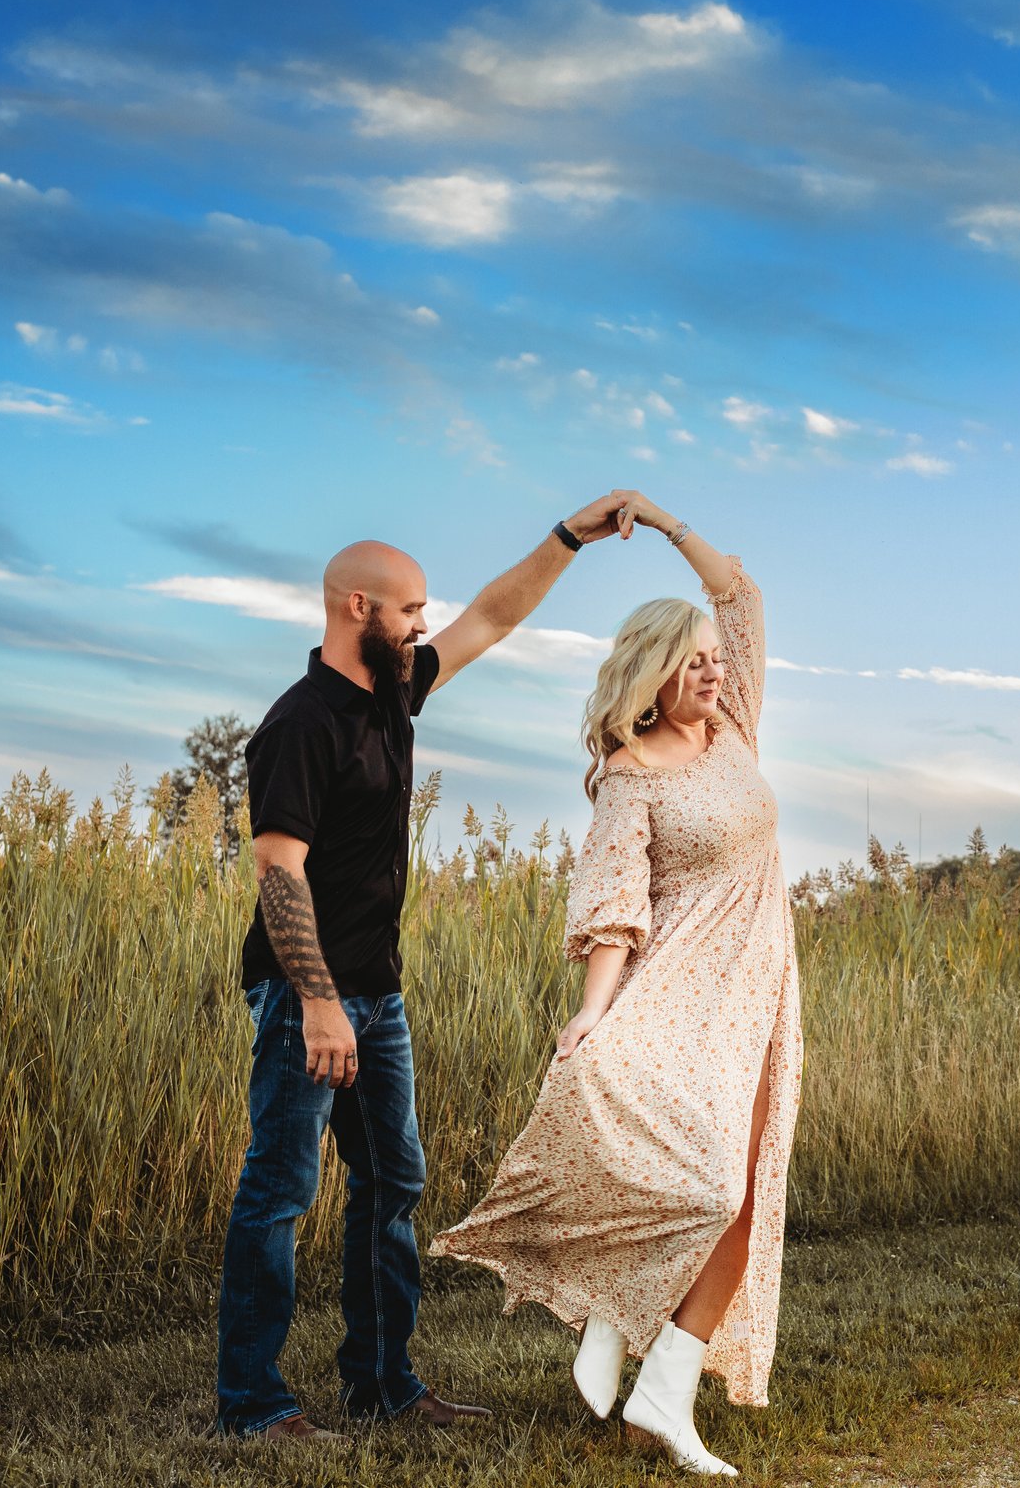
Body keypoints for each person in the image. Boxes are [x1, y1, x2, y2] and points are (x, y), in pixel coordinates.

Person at [214, 490, 643, 1441]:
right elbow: (278, 872)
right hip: (304, 994)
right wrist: (319, 1002)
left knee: (393, 1181)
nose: (422, 624)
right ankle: (251, 1404)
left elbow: (492, 615)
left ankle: (382, 1385)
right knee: (280, 1189)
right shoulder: (300, 724)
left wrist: (568, 536)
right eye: (409, 609)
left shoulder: (395, 692)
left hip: (378, 994)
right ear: (357, 609)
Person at [432, 497, 802, 1478]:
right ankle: (606, 1301)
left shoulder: (735, 729)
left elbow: (741, 596)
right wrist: (592, 1011)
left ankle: (665, 1393)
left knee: (744, 1190)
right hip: (674, 985)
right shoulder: (631, 775)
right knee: (698, 1177)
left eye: (712, 657)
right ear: (649, 674)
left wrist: (667, 520)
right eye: (691, 659)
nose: (712, 667)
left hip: (758, 987)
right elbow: (612, 908)